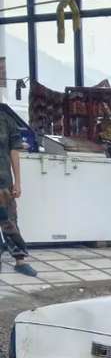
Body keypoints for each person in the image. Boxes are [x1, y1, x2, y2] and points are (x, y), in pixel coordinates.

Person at [0, 108, 33, 275]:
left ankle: (19, 260)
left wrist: (17, 182)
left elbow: (14, 150)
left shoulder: (6, 120)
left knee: (9, 220)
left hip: (3, 181)